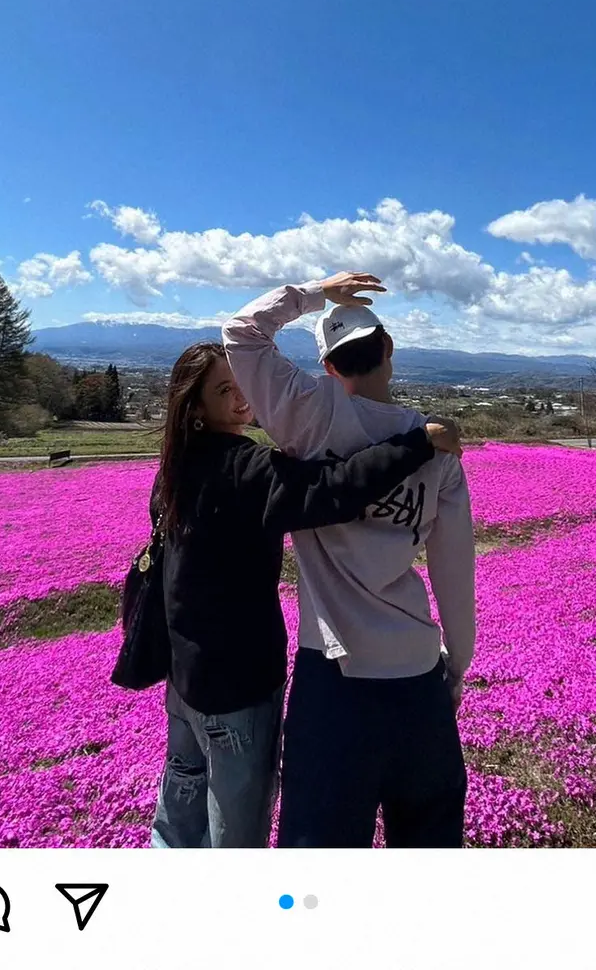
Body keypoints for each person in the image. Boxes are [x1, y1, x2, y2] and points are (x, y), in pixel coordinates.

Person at [149, 340, 465, 849]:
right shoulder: (245, 469)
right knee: (237, 832)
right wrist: (419, 443)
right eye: (224, 390)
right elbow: (331, 490)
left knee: (178, 817)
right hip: (237, 688)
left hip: (185, 681)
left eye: (242, 385)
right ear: (196, 408)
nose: (241, 398)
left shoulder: (178, 466)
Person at [223, 273, 476, 848]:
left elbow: (240, 332)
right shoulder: (436, 443)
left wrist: (320, 292)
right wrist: (455, 665)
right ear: (389, 349)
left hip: (331, 678)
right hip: (417, 676)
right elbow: (454, 573)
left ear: (329, 367)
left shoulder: (306, 414)